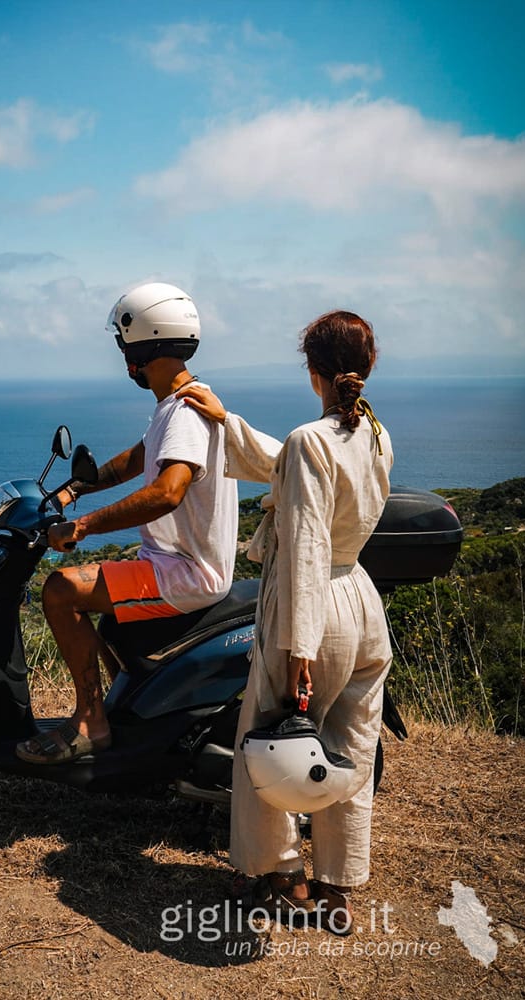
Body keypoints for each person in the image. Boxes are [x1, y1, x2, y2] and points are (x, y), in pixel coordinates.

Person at [177, 310, 393, 934]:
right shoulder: (375, 434)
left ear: (313, 372)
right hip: (360, 599)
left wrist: (297, 647)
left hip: (312, 606)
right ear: (365, 368)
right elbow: (298, 470)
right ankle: (338, 883)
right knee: (352, 745)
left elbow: (301, 540)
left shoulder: (309, 441)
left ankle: (279, 870)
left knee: (268, 740)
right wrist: (230, 424)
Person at [16, 282, 238, 765]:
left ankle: (90, 723)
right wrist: (76, 489)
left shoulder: (184, 413)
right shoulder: (178, 404)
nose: (124, 360)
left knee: (60, 590)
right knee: (104, 614)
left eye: (126, 347)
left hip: (185, 574)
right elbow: (138, 459)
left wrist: (82, 526)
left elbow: (166, 492)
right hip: (175, 564)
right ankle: (130, 716)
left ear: (145, 346)